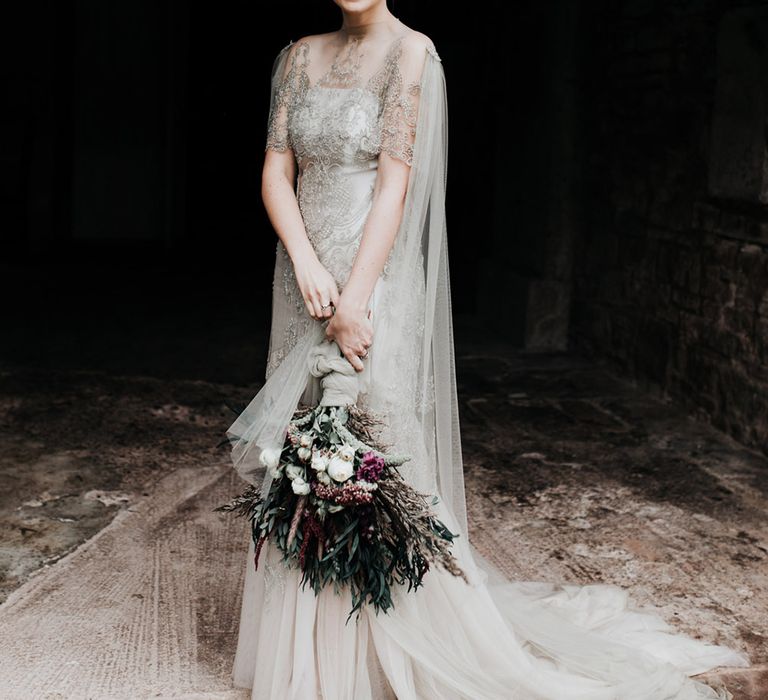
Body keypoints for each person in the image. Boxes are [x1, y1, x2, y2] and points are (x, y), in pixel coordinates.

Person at [227, 1, 750, 697]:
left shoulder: (413, 54)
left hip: (372, 277)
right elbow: (274, 170)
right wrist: (305, 264)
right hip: (304, 281)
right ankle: (305, 663)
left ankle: (378, 650)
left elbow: (393, 183)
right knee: (300, 447)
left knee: (364, 445)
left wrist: (356, 298)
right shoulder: (297, 57)